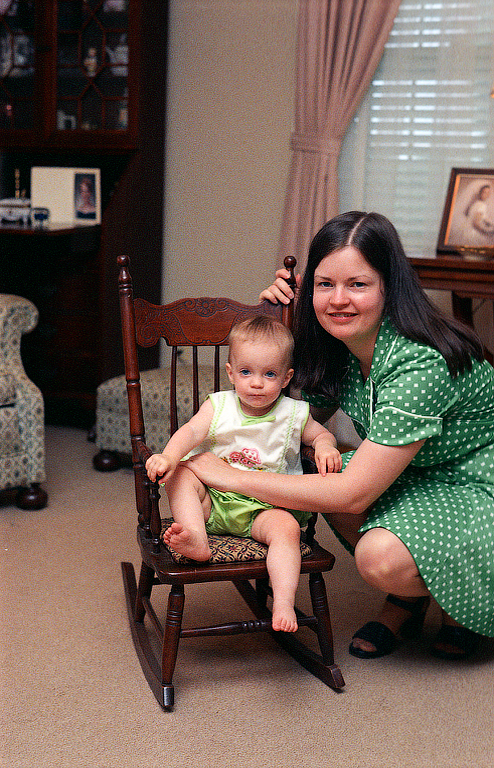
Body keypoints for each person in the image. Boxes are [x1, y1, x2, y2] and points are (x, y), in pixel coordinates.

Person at [183, 211, 494, 661]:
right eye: (324, 284)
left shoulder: (419, 362)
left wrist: (229, 476)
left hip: (477, 480)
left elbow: (352, 494)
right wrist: (281, 324)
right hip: (419, 471)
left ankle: (450, 603)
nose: (338, 300)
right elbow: (286, 416)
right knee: (319, 464)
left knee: (378, 554)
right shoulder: (341, 342)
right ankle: (411, 598)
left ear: (390, 285)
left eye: (358, 285)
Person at [145, 315, 342, 633]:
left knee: (287, 529)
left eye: (270, 374)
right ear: (231, 372)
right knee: (181, 473)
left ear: (286, 377)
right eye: (246, 372)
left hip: (265, 509)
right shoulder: (219, 405)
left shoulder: (292, 413)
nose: (256, 383)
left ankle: (282, 602)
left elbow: (321, 435)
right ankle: (196, 537)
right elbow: (192, 431)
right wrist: (169, 455)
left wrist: (325, 447)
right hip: (214, 501)